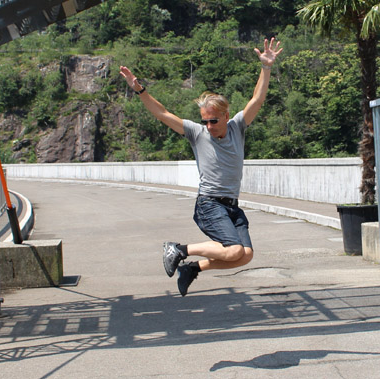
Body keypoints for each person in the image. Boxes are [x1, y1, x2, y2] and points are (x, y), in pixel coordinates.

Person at [119, 37, 283, 296]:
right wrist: (140, 91)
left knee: (245, 255)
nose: (209, 126)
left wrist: (266, 67)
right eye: (205, 121)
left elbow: (257, 100)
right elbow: (162, 114)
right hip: (210, 204)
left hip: (231, 205)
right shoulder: (197, 133)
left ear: (226, 116)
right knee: (234, 250)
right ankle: (179, 249)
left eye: (213, 121)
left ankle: (192, 268)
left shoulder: (237, 127)